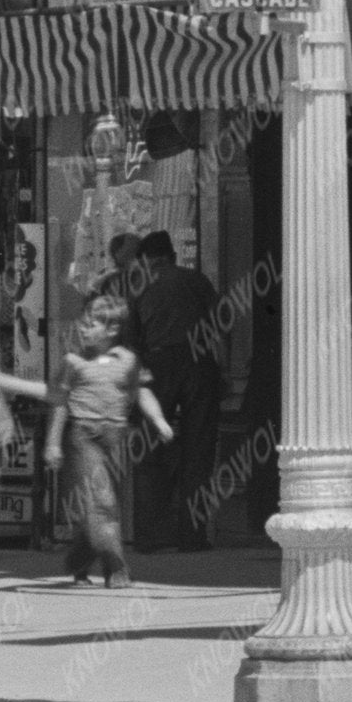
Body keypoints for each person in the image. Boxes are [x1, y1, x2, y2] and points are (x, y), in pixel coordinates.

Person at [50, 286, 170, 589]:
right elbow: (60, 403)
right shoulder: (73, 362)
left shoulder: (128, 361)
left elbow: (141, 391)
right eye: (83, 322)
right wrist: (53, 442)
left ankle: (79, 561)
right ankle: (116, 567)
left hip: (115, 436)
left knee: (103, 504)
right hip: (83, 435)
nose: (83, 328)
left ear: (112, 328)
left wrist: (158, 420)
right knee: (101, 502)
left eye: (91, 324)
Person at [122, 230, 212, 553]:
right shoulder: (196, 280)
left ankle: (148, 537)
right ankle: (193, 536)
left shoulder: (139, 286)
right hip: (198, 363)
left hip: (156, 364)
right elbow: (221, 324)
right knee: (198, 451)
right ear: (171, 254)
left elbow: (131, 338)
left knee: (148, 452)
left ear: (147, 259)